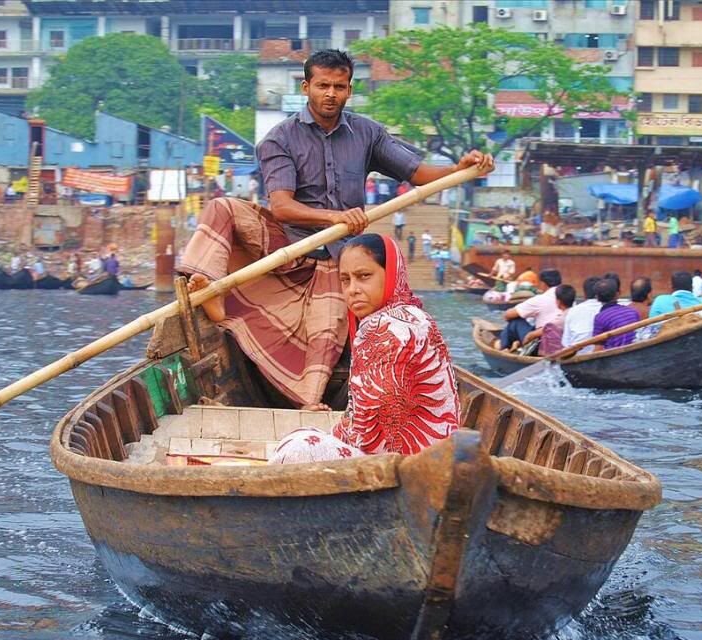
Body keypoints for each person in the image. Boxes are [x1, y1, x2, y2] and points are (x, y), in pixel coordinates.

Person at [184, 49, 491, 409]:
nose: (330, 94)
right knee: (222, 207)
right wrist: (335, 217)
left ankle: (309, 403)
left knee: (328, 329)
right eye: (323, 85)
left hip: (337, 256)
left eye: (339, 87)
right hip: (288, 244)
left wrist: (459, 167)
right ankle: (206, 286)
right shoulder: (278, 139)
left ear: (349, 90)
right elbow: (281, 206)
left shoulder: (367, 133)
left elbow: (418, 174)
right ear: (306, 87)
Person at [271, 234, 460, 463]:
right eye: (345, 280)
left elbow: (372, 428)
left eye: (364, 277)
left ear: (390, 273)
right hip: (435, 456)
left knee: (298, 447)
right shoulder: (415, 316)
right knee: (309, 437)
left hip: (403, 466)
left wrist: (330, 436)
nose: (353, 290)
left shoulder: (382, 326)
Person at [495, 268, 562, 351]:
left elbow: (507, 315)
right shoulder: (569, 297)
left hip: (542, 343)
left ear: (543, 283)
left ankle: (503, 346)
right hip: (562, 340)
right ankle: (512, 343)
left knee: (515, 322)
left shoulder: (541, 299)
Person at [592, 276, 642, 349]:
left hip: (615, 356)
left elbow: (598, 348)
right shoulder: (632, 311)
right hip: (634, 351)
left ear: (597, 298)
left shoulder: (599, 317)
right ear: (618, 294)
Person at [526, 284, 575, 356]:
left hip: (562, 352)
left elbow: (531, 335)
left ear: (558, 302)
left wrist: (527, 338)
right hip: (568, 347)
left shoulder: (558, 321)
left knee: (517, 324)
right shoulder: (575, 312)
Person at [561, 276, 604, 350]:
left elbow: (566, 343)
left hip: (577, 356)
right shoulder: (609, 309)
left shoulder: (572, 311)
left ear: (584, 295)